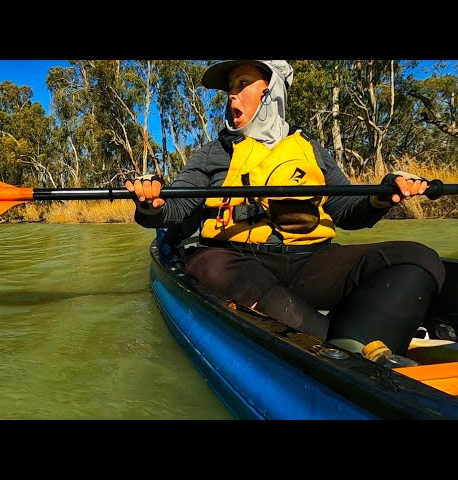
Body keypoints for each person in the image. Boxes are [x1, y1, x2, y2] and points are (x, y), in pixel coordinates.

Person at [125, 60, 446, 357]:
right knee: (209, 265)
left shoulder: (312, 150)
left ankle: (353, 343)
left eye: (242, 83)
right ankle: (339, 350)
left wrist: (380, 196)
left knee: (417, 257)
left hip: (311, 262)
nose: (231, 95)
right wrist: (152, 204)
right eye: (230, 88)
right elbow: (177, 205)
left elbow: (347, 210)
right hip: (236, 259)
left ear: (271, 92)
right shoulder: (213, 153)